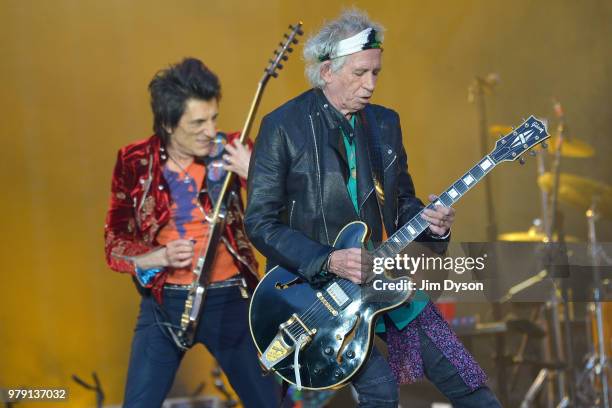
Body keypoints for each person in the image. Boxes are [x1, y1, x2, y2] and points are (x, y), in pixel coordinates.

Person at [245, 10, 501, 408]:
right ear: (327, 71)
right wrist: (329, 260)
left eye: (376, 73)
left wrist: (434, 227)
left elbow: (402, 203)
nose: (371, 85)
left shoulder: (384, 124)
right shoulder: (282, 126)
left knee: (467, 381)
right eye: (360, 73)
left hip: (385, 284)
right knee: (380, 389)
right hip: (314, 296)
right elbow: (259, 223)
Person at [104, 57, 278, 408]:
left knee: (270, 402)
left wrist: (254, 171)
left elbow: (288, 210)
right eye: (197, 122)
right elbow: (114, 243)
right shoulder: (134, 161)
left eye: (213, 118)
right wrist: (159, 256)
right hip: (164, 304)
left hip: (231, 299)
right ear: (168, 124)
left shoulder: (233, 148)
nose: (209, 130)